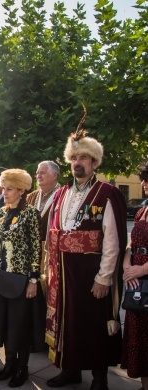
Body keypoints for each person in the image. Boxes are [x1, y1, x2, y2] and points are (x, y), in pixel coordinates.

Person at [45, 124, 127, 390]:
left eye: (83, 158)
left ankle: (100, 377)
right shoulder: (61, 193)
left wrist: (104, 278)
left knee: (93, 325)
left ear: (94, 162)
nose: (77, 163)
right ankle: (70, 369)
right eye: (74, 158)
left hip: (90, 273)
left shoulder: (107, 193)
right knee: (67, 324)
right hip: (63, 274)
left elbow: (112, 239)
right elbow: (52, 233)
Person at [0, 168, 44, 388]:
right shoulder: (2, 212)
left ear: (22, 190)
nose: (4, 192)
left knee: (19, 324)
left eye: (10, 189)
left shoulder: (31, 213)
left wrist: (33, 279)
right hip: (0, 276)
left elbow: (36, 248)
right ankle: (10, 364)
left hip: (20, 278)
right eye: (4, 188)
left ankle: (22, 368)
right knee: (4, 322)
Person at [121, 161, 148, 390]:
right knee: (139, 340)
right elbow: (131, 243)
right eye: (144, 178)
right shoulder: (142, 210)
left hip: (144, 274)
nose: (144, 183)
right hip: (136, 281)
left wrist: (141, 269)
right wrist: (127, 263)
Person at [27, 161, 61, 295]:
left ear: (54, 175)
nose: (38, 175)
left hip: (51, 252)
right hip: (31, 253)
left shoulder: (63, 195)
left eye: (42, 172)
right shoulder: (31, 196)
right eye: (37, 173)